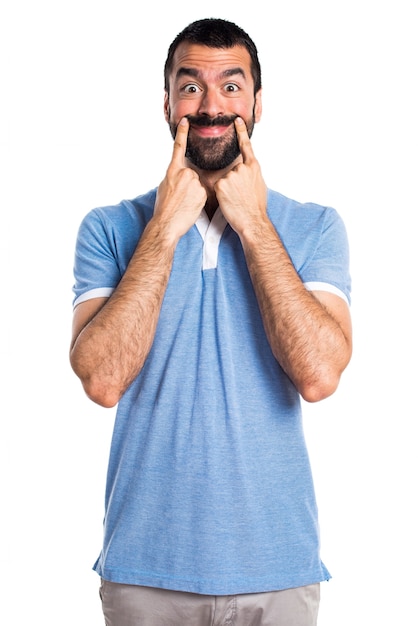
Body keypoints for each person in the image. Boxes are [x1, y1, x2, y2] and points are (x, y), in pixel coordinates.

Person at [70, 17, 352, 626]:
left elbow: (320, 375)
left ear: (256, 103)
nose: (211, 104)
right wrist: (165, 229)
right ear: (167, 103)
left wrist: (253, 224)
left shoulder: (315, 227)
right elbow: (100, 381)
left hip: (278, 572)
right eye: (191, 85)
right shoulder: (109, 228)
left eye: (231, 85)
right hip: (145, 572)